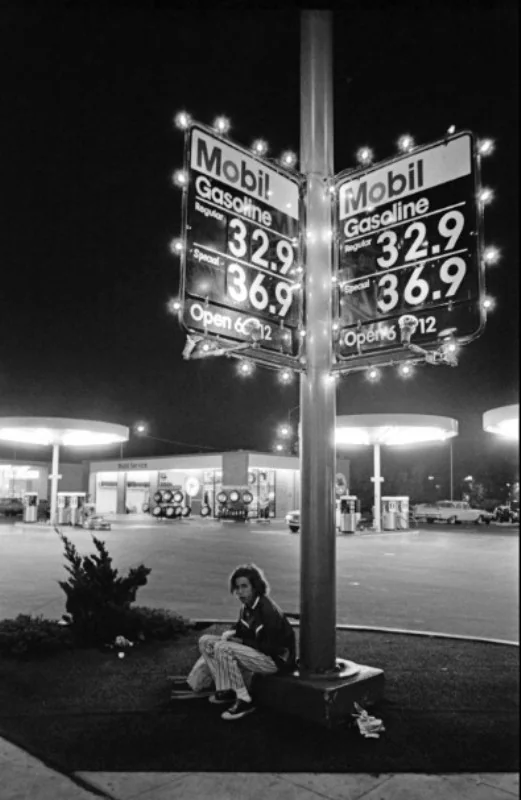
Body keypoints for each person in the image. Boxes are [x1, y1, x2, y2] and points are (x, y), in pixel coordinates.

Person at [170, 563, 296, 721]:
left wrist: (241, 641)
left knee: (223, 648)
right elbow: (242, 628)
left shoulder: (267, 610)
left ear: (256, 586)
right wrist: (233, 633)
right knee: (206, 641)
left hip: (276, 661)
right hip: (260, 654)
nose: (240, 592)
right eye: (237, 587)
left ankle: (245, 699)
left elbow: (273, 647)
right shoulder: (247, 607)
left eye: (244, 586)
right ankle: (227, 690)